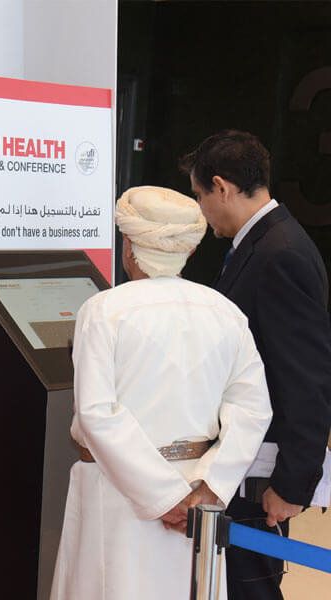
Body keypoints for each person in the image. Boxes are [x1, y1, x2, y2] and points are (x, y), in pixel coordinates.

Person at [50, 186, 272, 600]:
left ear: (128, 246)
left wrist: (164, 498)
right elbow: (253, 408)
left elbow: (97, 413)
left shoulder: (103, 310)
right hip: (198, 502)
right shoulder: (224, 311)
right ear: (189, 250)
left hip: (118, 495)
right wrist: (210, 488)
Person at [180, 130, 331, 600]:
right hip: (244, 465)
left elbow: (306, 379)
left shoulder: (279, 253)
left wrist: (292, 484)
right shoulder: (262, 243)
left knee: (251, 590)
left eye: (200, 196)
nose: (202, 210)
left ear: (221, 187)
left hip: (261, 472)